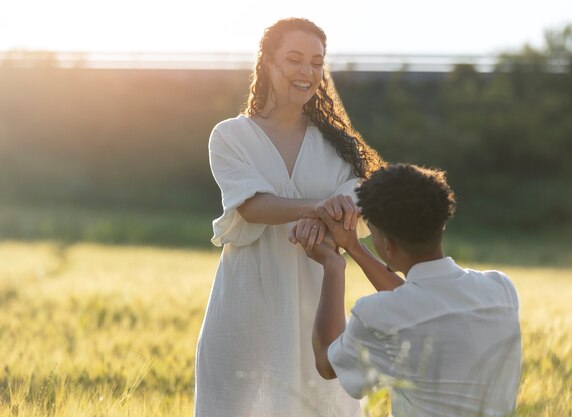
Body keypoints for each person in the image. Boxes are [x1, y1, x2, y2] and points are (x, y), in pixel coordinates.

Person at [194, 17, 384, 417]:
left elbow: (353, 211)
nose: (307, 72)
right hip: (247, 301)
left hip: (319, 306)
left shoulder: (339, 146)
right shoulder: (230, 136)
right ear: (266, 63)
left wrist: (333, 213)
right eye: (294, 59)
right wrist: (319, 207)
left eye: (316, 62)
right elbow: (251, 205)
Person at [296, 164, 521, 417]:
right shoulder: (501, 289)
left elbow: (327, 364)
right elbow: (420, 303)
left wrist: (334, 266)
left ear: (388, 246)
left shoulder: (378, 313)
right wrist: (354, 247)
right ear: (441, 224)